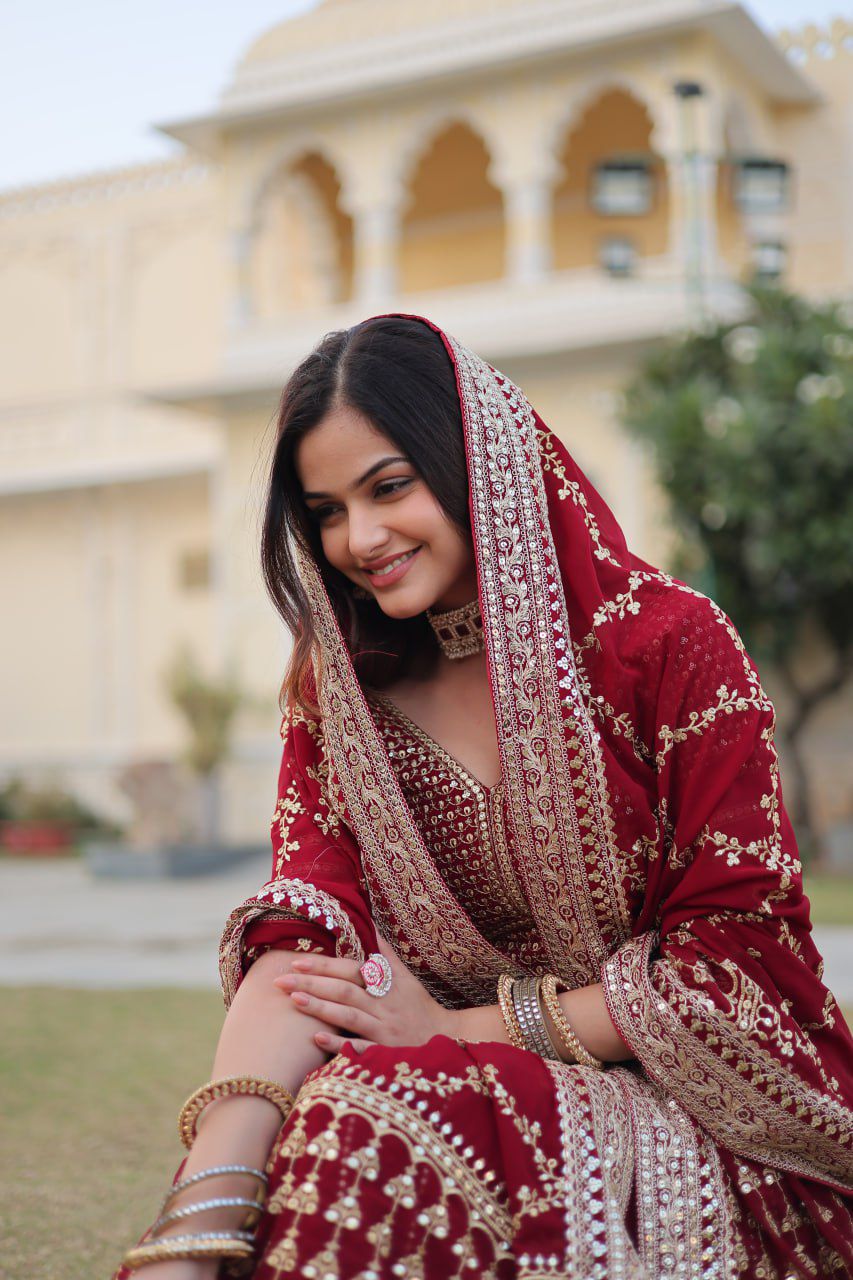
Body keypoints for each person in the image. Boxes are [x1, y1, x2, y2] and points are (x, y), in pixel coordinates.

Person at [115, 315, 853, 1280]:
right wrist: (202, 1215)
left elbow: (736, 973)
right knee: (340, 1123)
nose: (360, 538)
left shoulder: (663, 648)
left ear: (478, 463)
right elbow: (307, 942)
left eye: (388, 488)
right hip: (425, 1087)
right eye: (327, 510)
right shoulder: (337, 697)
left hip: (702, 1107)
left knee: (368, 1119)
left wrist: (463, 1031)